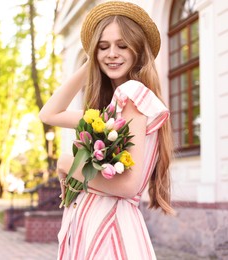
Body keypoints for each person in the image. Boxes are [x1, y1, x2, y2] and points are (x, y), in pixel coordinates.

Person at [39, 1, 174, 259]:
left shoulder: (131, 94)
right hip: (99, 224)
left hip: (109, 227)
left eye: (122, 45)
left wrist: (67, 162)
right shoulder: (110, 114)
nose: (112, 53)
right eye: (104, 47)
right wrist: (91, 60)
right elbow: (49, 114)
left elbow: (128, 186)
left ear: (138, 50)